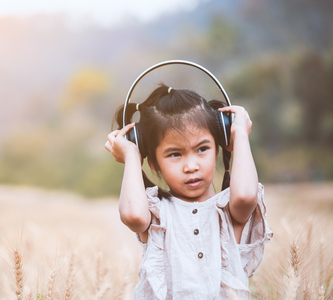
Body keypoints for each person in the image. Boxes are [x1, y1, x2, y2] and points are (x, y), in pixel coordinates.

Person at [105, 84, 272, 299]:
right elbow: (133, 216)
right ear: (153, 162)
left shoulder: (228, 210)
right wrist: (131, 156)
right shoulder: (156, 213)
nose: (191, 166)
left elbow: (245, 195)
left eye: (202, 149)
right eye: (175, 154)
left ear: (219, 147)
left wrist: (239, 135)